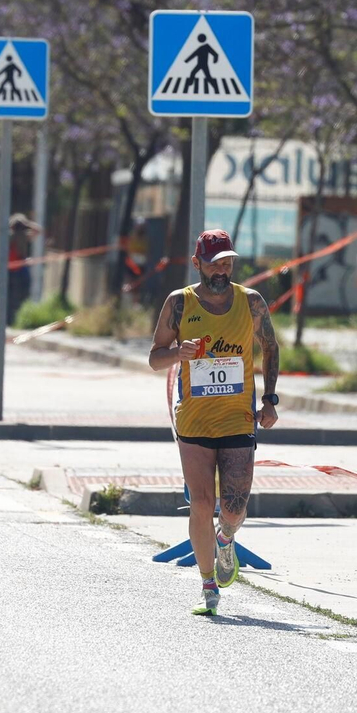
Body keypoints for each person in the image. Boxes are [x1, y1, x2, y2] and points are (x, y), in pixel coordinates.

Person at [149, 229, 281, 616]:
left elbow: (270, 346)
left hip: (238, 418)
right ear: (197, 264)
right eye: (215, 263)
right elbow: (155, 358)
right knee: (201, 502)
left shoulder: (251, 302)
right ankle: (208, 586)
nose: (223, 270)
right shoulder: (178, 303)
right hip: (193, 421)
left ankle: (226, 537)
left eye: (228, 262)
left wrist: (270, 399)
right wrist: (178, 353)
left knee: (235, 507)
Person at [5, 214, 40, 323]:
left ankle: (11, 320)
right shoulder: (15, 237)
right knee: (17, 297)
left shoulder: (12, 236)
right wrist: (27, 224)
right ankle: (12, 319)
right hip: (16, 271)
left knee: (11, 297)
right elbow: (38, 231)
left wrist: (21, 223)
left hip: (13, 271)